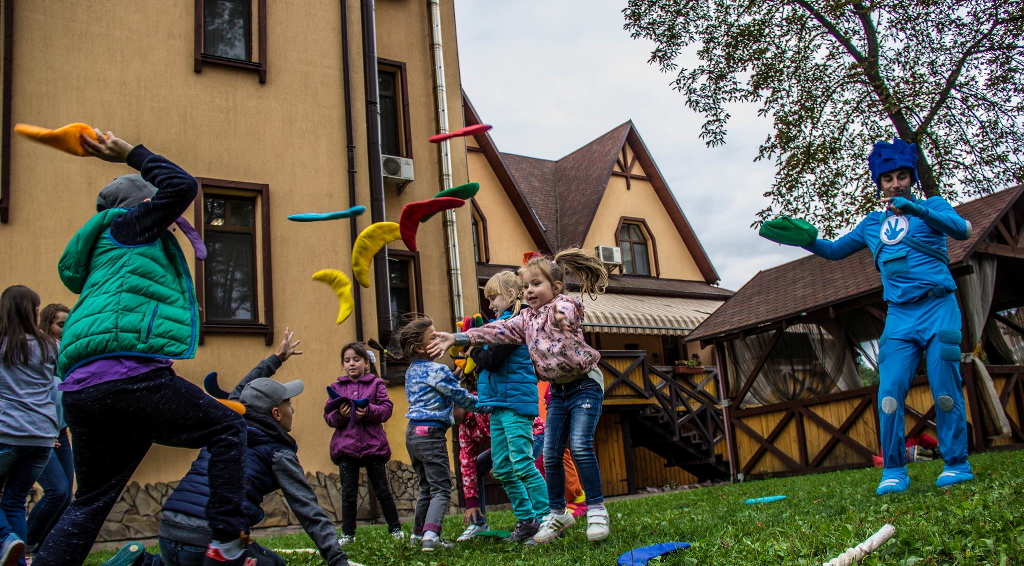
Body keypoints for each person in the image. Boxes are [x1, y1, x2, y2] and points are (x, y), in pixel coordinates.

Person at [32, 130, 263, 566]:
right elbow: (183, 186)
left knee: (90, 502)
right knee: (227, 429)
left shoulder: (106, 248)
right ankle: (227, 542)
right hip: (128, 379)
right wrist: (130, 154)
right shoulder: (129, 226)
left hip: (84, 391)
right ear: (142, 205)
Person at [788, 137, 974, 495]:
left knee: (945, 388)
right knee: (888, 392)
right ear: (880, 184)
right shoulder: (872, 224)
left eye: (902, 176)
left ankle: (956, 463)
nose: (895, 183)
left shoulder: (933, 206)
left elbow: (962, 230)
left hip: (938, 307)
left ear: (911, 178)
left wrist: (917, 210)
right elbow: (833, 250)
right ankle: (893, 469)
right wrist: (806, 239)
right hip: (901, 316)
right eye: (888, 178)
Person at [103, 329, 351, 566]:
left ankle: (145, 562)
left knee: (186, 560)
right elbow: (308, 510)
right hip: (210, 540)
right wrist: (338, 560)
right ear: (276, 413)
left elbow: (243, 389)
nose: (293, 409)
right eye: (289, 403)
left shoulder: (224, 424)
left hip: (169, 530)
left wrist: (277, 358)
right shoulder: (278, 452)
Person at [429, 248, 611, 543]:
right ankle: (556, 514)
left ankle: (596, 509)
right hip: (559, 391)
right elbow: (496, 331)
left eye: (536, 284)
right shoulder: (525, 320)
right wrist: (458, 338)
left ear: (556, 287)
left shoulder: (563, 304)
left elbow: (567, 309)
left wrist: (563, 318)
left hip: (585, 384)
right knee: (550, 455)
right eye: (525, 286)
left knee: (578, 444)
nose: (529, 290)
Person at [468, 271, 548, 543]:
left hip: (515, 404)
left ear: (512, 296)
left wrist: (475, 347)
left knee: (523, 464)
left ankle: (548, 520)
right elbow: (486, 359)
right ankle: (527, 521)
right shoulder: (499, 324)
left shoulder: (514, 323)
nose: (490, 304)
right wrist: (479, 348)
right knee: (502, 468)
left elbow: (491, 360)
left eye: (494, 297)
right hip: (499, 406)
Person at [399, 316, 480, 551]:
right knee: (442, 488)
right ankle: (431, 536)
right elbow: (462, 399)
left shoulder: (412, 370)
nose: (439, 338)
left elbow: (437, 387)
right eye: (433, 337)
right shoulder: (438, 370)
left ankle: (417, 534)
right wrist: (490, 404)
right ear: (420, 347)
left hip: (413, 432)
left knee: (426, 487)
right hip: (431, 435)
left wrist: (455, 375)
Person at [0, 286, 59, 566]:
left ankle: (4, 539)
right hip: (42, 437)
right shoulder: (50, 346)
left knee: (11, 503)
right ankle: (19, 562)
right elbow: (62, 385)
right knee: (14, 500)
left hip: (6, 433)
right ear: (35, 311)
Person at [325, 342, 403, 545]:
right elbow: (329, 417)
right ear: (343, 364)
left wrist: (368, 412)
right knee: (349, 492)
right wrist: (341, 415)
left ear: (366, 363)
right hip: (346, 448)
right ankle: (348, 534)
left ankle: (395, 529)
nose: (351, 364)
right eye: (347, 360)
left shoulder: (376, 384)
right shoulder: (336, 387)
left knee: (382, 489)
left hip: (373, 447)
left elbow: (386, 410)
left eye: (356, 359)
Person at [25, 304, 74, 556]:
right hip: (42, 434)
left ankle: (46, 552)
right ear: (47, 325)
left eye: (68, 323)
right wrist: (46, 429)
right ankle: (26, 543)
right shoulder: (41, 354)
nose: (65, 330)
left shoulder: (68, 353)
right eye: (60, 324)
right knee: (57, 491)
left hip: (61, 433)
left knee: (66, 498)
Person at [454, 375, 492, 542]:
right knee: (476, 469)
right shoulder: (464, 427)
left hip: (531, 436)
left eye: (449, 410)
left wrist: (501, 461)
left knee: (520, 470)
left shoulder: (482, 406)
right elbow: (467, 464)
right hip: (503, 448)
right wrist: (471, 503)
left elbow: (508, 432)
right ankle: (478, 524)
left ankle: (534, 519)